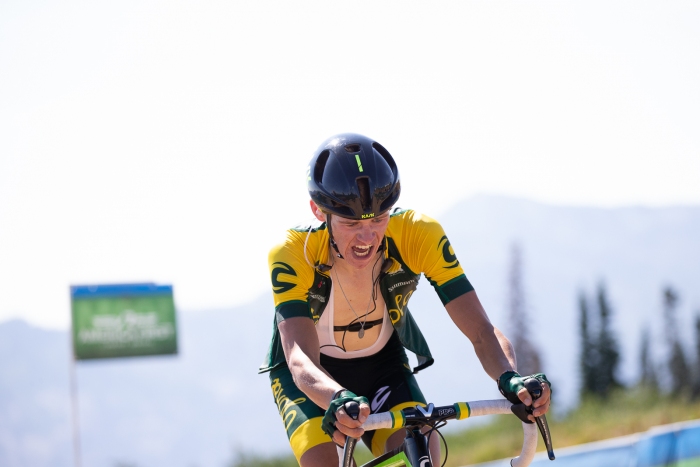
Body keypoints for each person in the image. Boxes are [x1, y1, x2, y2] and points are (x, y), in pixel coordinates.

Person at [259, 133, 551, 466]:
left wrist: (510, 379)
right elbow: (299, 359)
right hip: (312, 374)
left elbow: (482, 330)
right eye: (351, 223)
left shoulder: (418, 233)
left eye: (379, 219)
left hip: (380, 366)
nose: (367, 237)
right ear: (317, 210)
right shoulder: (292, 252)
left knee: (424, 451)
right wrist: (336, 397)